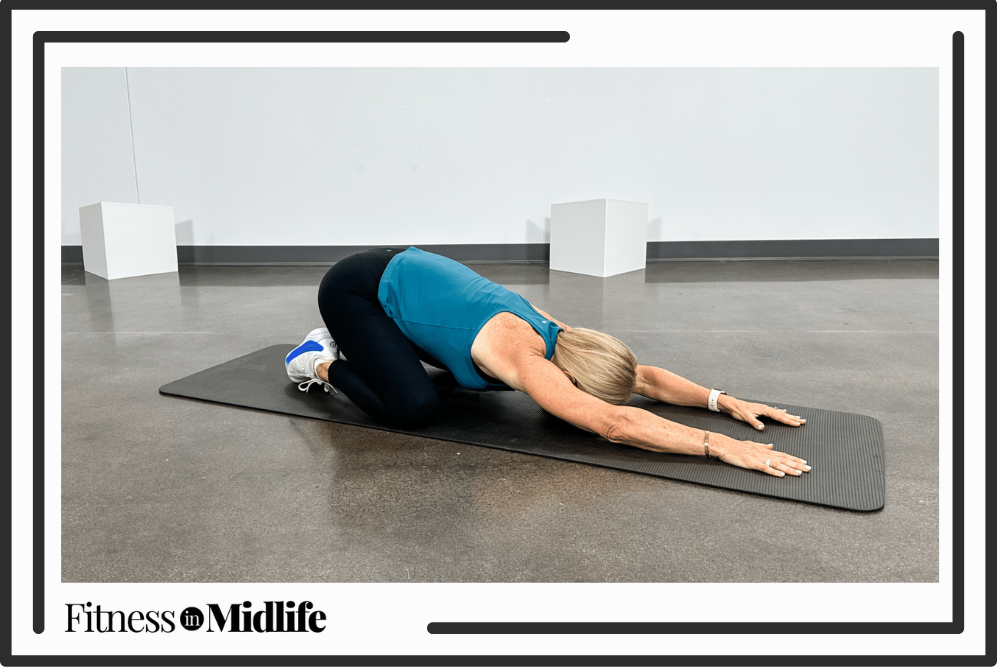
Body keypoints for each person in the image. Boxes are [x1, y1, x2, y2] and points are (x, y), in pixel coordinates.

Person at [286, 246, 810, 478]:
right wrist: (721, 446)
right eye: (580, 392)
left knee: (449, 378)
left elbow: (642, 379)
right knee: (415, 405)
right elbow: (616, 421)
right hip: (355, 288)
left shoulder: (567, 338)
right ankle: (317, 359)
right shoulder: (530, 359)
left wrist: (721, 400)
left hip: (403, 280)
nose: (580, 402)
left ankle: (375, 345)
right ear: (570, 378)